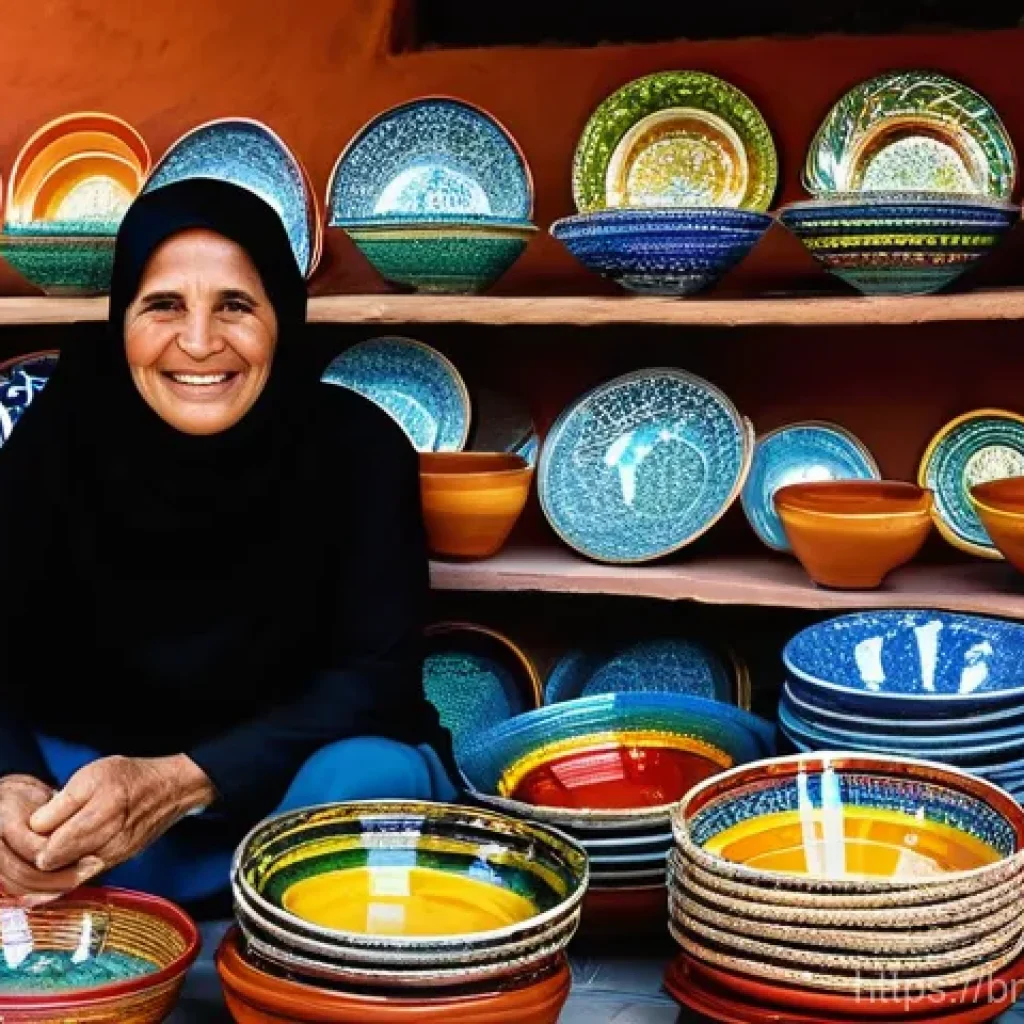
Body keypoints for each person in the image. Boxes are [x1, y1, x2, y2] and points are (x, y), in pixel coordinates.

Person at [0, 179, 456, 908]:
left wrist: (182, 778)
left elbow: (377, 678)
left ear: (282, 316)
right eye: (163, 305)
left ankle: (272, 922)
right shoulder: (59, 441)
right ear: (122, 319)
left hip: (290, 794)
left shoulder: (356, 448)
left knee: (373, 780)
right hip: (98, 810)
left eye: (236, 306)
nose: (200, 342)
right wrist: (14, 783)